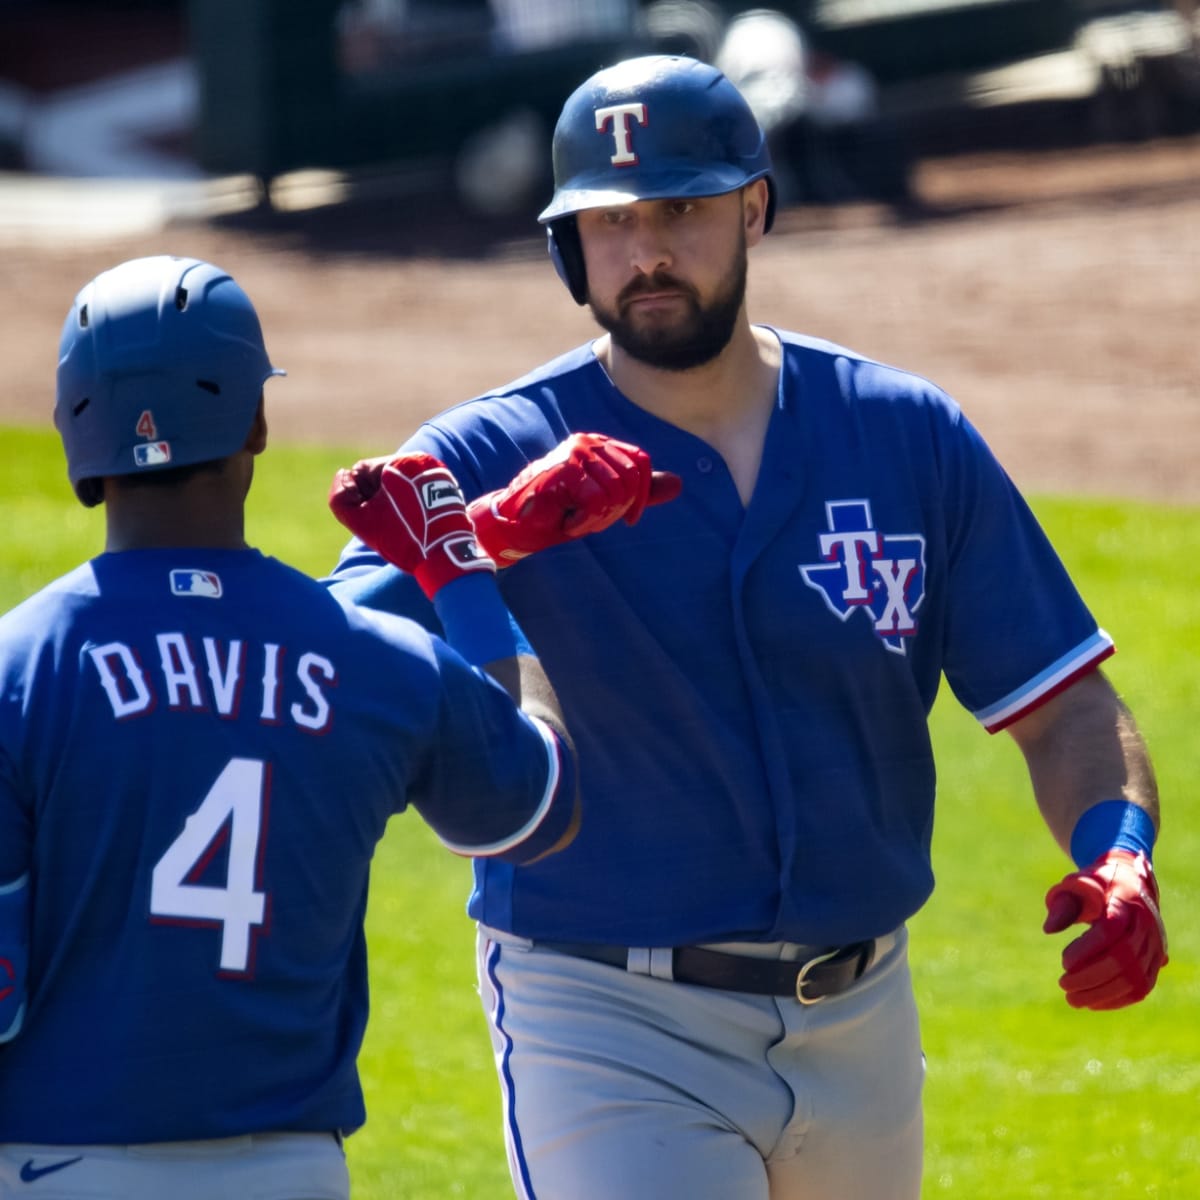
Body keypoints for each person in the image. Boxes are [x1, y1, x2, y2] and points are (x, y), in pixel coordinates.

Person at [329, 55, 1169, 1200]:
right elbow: (320, 668)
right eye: (610, 221)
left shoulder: (901, 436)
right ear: (567, 245)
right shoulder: (478, 456)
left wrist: (1119, 849)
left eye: (679, 208)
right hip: (607, 1018)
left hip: (863, 1020)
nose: (647, 253)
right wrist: (491, 535)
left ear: (755, 208)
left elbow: (1065, 699)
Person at [0, 254, 587, 1199]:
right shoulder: (378, 660)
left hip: (53, 1165)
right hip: (288, 1169)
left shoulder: (17, 672)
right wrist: (464, 575)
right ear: (257, 422)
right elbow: (538, 806)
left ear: (77, 431)